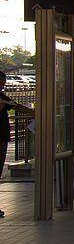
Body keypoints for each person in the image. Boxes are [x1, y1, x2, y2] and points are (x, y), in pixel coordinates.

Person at [0, 71, 34, 218]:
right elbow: (17, 107)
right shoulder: (1, 98)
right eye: (2, 81)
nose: (4, 84)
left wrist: (34, 111)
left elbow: (16, 106)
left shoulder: (2, 97)